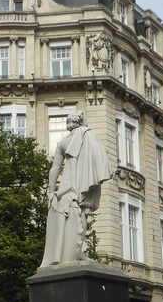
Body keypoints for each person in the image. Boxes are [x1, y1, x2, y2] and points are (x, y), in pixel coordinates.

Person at [40, 111, 113, 267]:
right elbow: (100, 158)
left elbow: (55, 169)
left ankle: (72, 255)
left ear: (68, 125)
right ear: (81, 123)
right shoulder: (88, 135)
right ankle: (73, 255)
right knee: (79, 224)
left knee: (71, 224)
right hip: (78, 189)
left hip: (65, 190)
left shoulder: (62, 143)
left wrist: (51, 191)